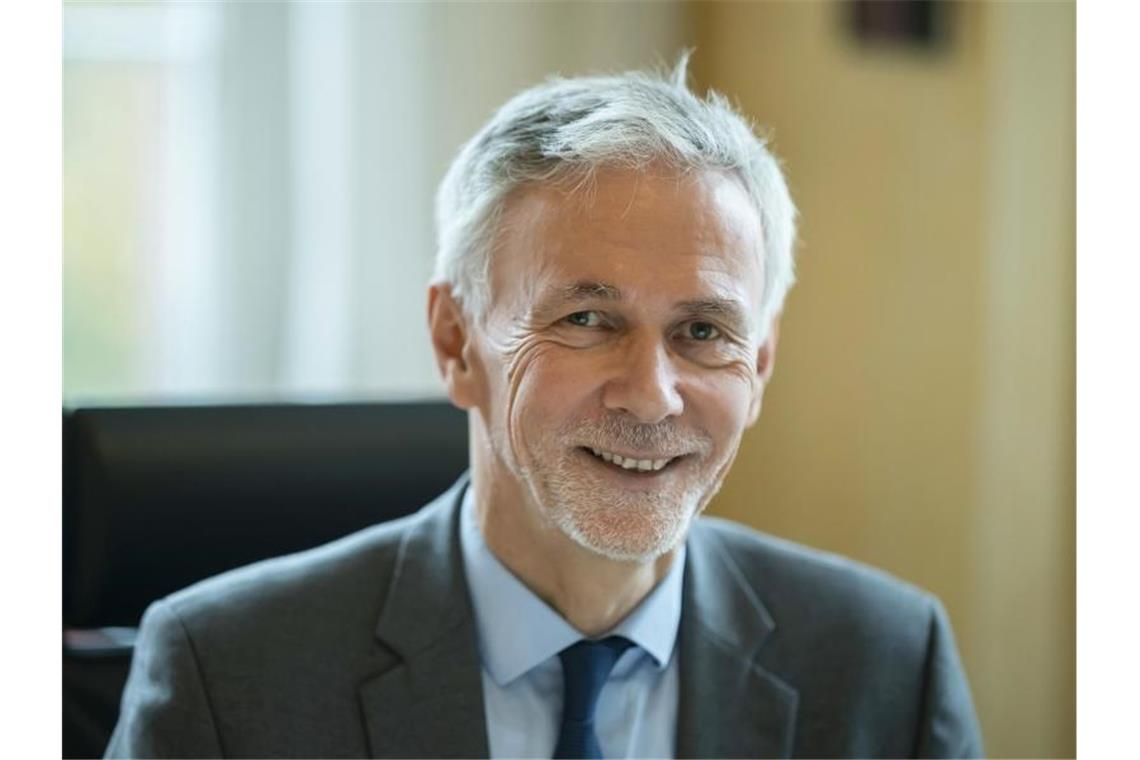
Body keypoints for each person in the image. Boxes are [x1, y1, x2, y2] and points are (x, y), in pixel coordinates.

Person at [106, 57, 984, 759]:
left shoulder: (886, 665)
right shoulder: (228, 674)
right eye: (588, 320)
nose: (652, 393)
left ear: (760, 362)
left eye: (704, 331)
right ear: (456, 343)